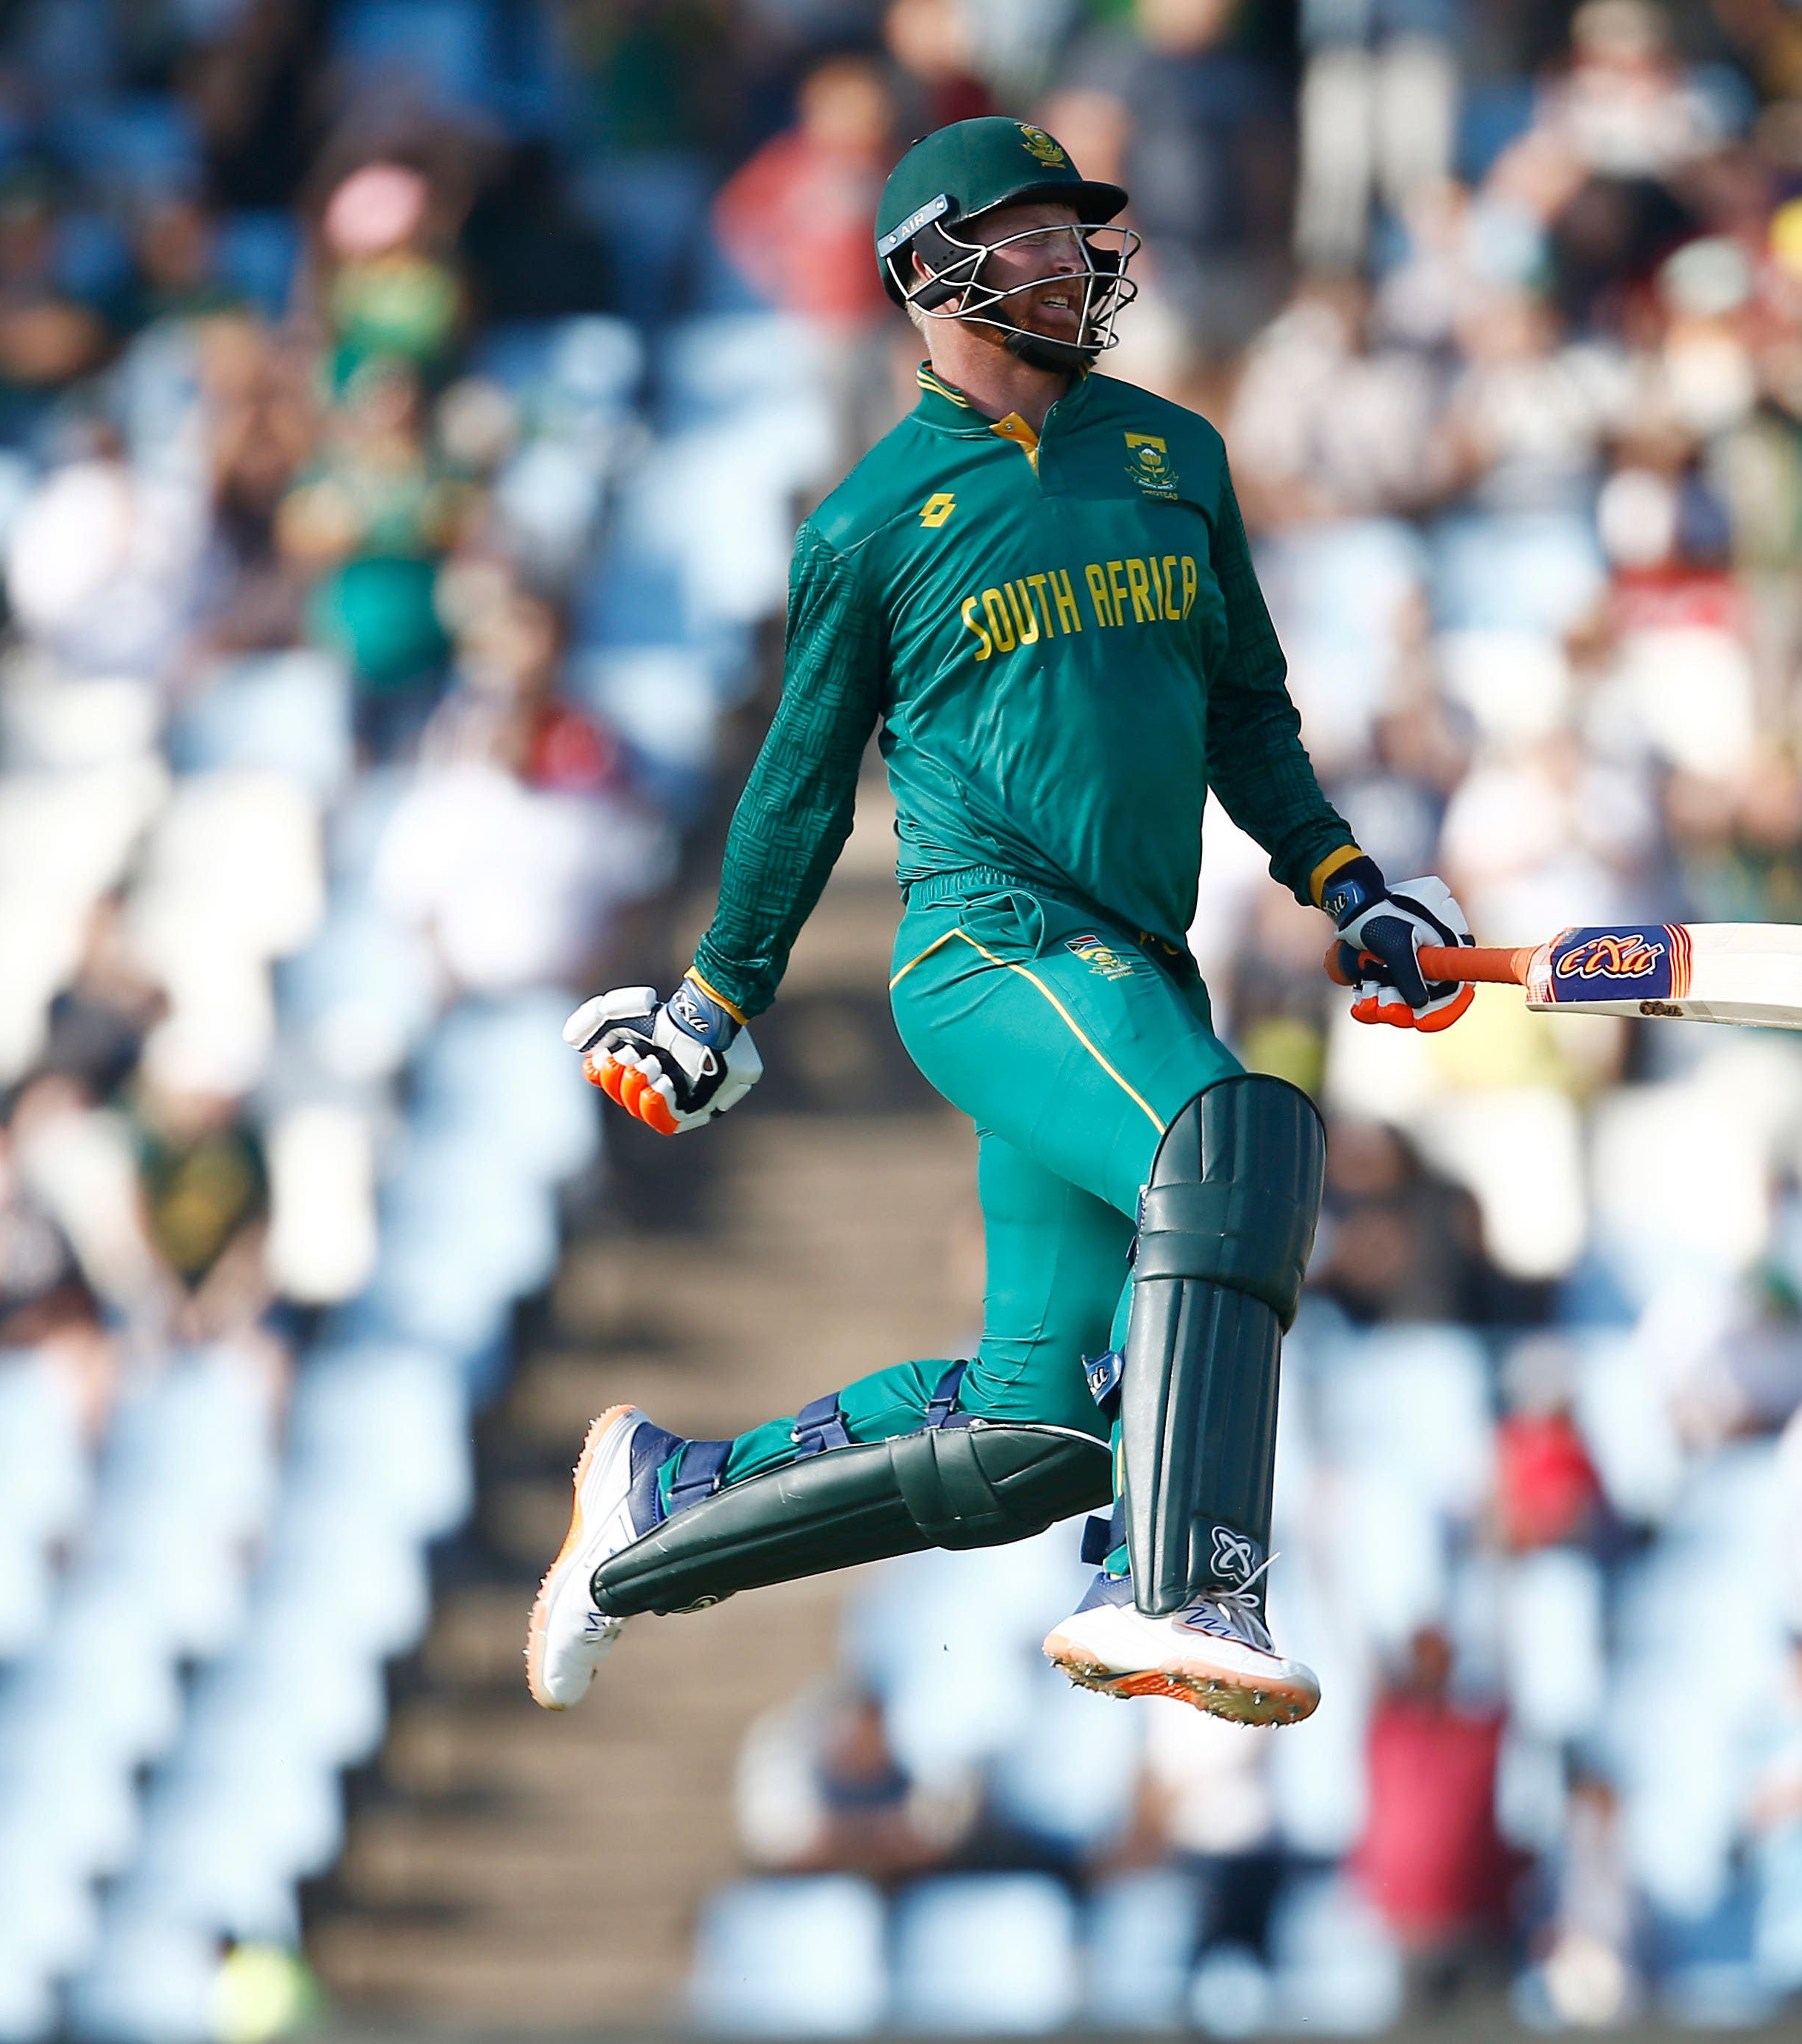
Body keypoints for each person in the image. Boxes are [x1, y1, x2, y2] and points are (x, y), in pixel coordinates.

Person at [525, 116, 1475, 1727]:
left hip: (1133, 964)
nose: (1068, 261)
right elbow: (797, 790)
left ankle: (658, 1514)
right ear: (924, 273)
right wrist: (712, 1003)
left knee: (1040, 1433)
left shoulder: (1176, 453)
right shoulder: (870, 521)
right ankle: (1182, 1581)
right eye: (1025, 237)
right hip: (987, 954)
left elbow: (1246, 715)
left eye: (1072, 234)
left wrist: (1346, 881)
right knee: (1229, 1145)